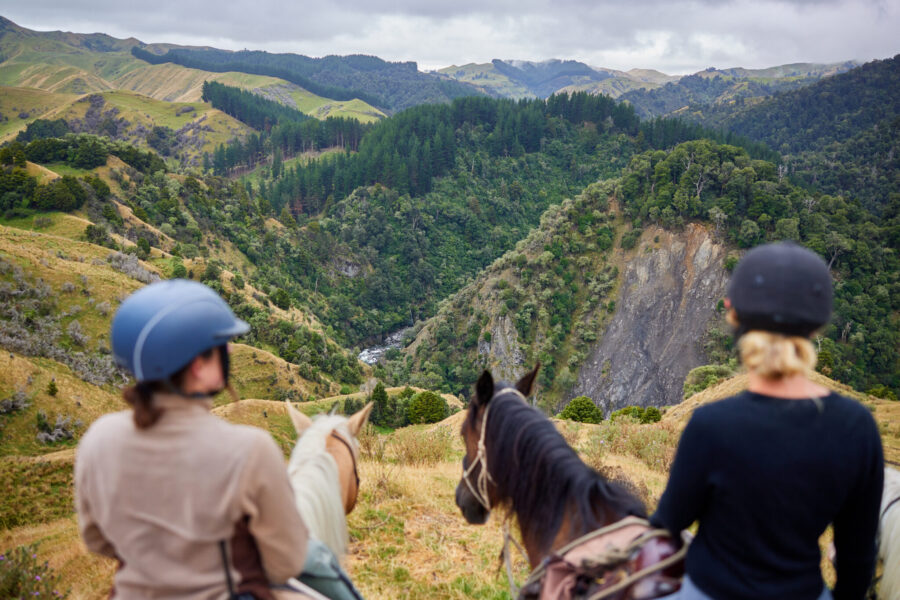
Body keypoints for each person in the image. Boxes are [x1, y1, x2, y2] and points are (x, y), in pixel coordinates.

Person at [651, 242, 884, 600]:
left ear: (733, 314)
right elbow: (858, 556)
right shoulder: (857, 428)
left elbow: (667, 526)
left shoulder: (712, 424)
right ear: (818, 326)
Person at [75, 280, 310, 599]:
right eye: (221, 345)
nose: (229, 350)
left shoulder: (98, 438)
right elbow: (286, 563)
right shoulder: (249, 449)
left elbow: (96, 540)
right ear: (198, 366)